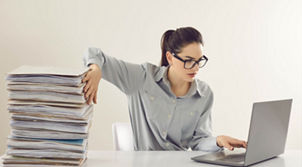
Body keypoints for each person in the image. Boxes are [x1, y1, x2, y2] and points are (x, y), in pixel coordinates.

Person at [82, 27, 247, 151]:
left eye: (199, 61)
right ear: (170, 57)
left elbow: (198, 142)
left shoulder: (204, 94)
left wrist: (217, 140)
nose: (195, 68)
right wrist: (96, 69)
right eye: (188, 61)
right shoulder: (142, 78)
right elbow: (93, 53)